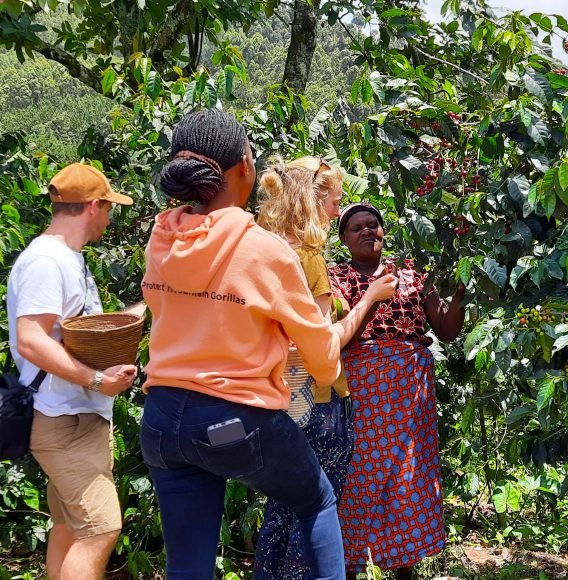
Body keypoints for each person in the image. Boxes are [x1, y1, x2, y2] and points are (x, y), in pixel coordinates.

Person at [138, 109, 396, 580]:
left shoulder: (162, 236)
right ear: (244, 169)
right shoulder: (264, 250)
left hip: (161, 421)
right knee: (315, 500)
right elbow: (321, 358)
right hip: (234, 421)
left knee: (188, 565)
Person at [254, 156, 393, 580]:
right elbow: (324, 343)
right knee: (313, 506)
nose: (338, 211)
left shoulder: (265, 250)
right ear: (311, 202)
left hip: (276, 396)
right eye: (334, 202)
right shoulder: (310, 259)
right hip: (316, 398)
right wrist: (370, 298)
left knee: (280, 506)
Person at [7, 163, 138, 580]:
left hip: (75, 416)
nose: (110, 217)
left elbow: (81, 332)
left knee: (68, 526)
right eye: (108, 207)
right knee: (102, 528)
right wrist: (97, 380)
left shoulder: (67, 259)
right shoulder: (47, 261)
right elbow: (31, 338)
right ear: (93, 206)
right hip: (63, 419)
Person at [329, 203, 465, 580]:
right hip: (364, 392)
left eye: (373, 225)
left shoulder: (412, 276)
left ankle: (403, 570)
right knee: (358, 478)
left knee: (407, 478)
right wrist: (372, 296)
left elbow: (447, 330)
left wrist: (460, 294)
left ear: (384, 232)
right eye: (357, 228)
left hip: (410, 395)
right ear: (344, 239)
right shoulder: (335, 279)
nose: (367, 231)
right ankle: (348, 568)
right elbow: (339, 337)